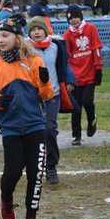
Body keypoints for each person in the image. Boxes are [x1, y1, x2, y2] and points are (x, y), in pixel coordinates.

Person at [0, 15, 54, 219]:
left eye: (5, 35)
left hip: (35, 124)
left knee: (36, 173)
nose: (1, 40)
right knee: (13, 172)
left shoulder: (35, 61)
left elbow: (47, 95)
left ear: (17, 38)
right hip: (11, 127)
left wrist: (44, 81)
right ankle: (6, 200)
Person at [27, 16, 73, 184]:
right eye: (33, 29)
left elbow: (63, 66)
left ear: (45, 30)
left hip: (52, 94)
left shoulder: (56, 46)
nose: (36, 32)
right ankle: (34, 165)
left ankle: (51, 166)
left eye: (39, 29)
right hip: (32, 97)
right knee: (34, 132)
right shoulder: (25, 49)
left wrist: (68, 81)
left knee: (49, 129)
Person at [63, 5, 103, 146]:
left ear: (80, 16)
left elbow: (96, 49)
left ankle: (92, 120)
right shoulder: (67, 35)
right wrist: (68, 78)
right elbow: (66, 58)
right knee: (76, 107)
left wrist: (98, 69)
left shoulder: (90, 29)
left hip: (90, 74)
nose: (73, 20)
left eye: (75, 17)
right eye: (70, 18)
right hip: (75, 77)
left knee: (87, 101)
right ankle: (76, 135)